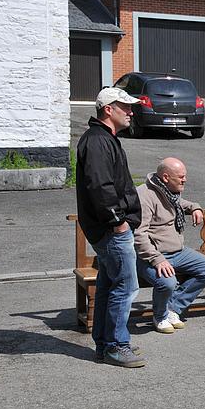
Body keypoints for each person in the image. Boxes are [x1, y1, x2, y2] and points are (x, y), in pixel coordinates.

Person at [76, 87, 146, 368]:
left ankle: (106, 344)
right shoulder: (97, 141)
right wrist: (118, 222)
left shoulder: (104, 139)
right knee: (125, 287)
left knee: (109, 285)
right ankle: (117, 344)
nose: (130, 112)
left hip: (109, 228)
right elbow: (100, 187)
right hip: (111, 230)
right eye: (125, 107)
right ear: (109, 110)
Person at [134, 157, 205, 333]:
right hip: (151, 256)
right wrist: (157, 260)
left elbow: (181, 204)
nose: (185, 180)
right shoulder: (145, 195)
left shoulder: (169, 191)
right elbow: (138, 235)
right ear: (166, 177)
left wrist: (195, 207)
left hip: (177, 252)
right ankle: (160, 316)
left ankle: (173, 308)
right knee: (167, 282)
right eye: (181, 177)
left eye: (184, 176)